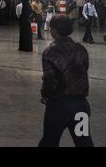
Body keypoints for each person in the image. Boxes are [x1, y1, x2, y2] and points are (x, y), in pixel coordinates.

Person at [38, 15, 93, 147]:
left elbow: (49, 79)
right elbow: (83, 70)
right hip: (81, 105)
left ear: (55, 31)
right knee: (84, 142)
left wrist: (45, 94)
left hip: (58, 106)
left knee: (49, 141)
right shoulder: (81, 49)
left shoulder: (50, 52)